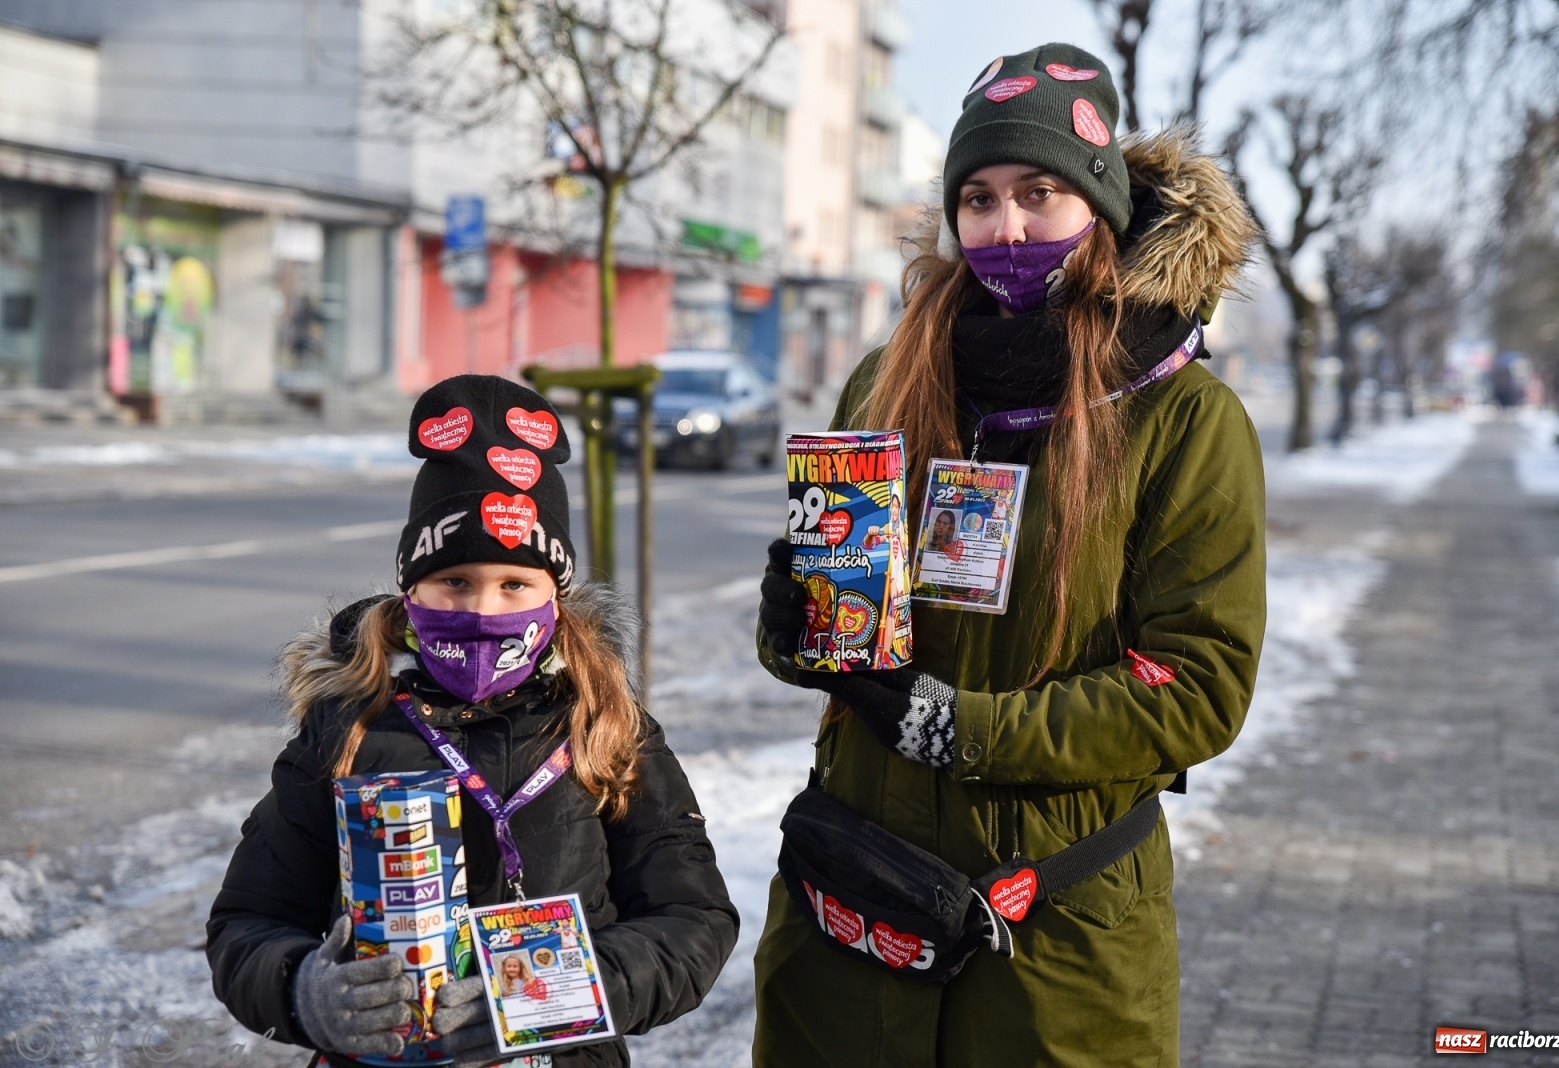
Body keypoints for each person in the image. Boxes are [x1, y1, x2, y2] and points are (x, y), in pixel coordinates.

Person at [753, 43, 1265, 1067]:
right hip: (854, 903)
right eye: (978, 199)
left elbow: (1198, 688)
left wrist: (959, 728)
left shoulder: (1182, 417)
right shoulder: (889, 377)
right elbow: (852, 611)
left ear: (1103, 208)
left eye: (1041, 193)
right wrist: (800, 627)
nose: (1007, 228)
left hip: (1053, 941)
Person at [207, 375, 738, 1068]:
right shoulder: (350, 729)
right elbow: (247, 922)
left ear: (557, 596)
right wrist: (304, 991)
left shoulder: (604, 729)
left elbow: (694, 920)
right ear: (411, 589)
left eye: (515, 584)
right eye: (455, 582)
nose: (485, 612)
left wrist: (549, 996)